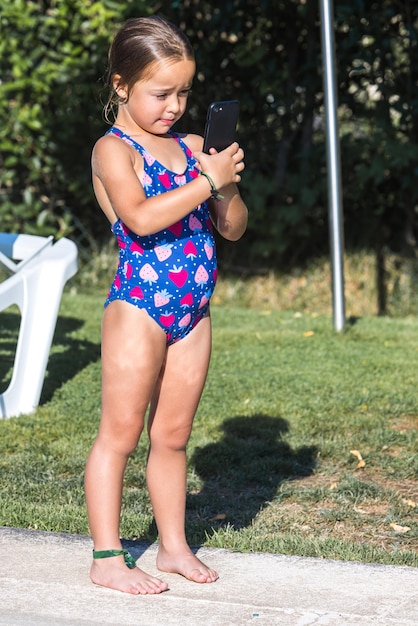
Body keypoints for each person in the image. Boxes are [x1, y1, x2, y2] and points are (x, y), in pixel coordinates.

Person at [84, 15, 248, 596]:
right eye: (160, 93)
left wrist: (224, 185)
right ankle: (107, 556)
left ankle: (173, 547)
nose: (174, 106)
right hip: (139, 307)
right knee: (120, 434)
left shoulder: (196, 148)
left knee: (173, 435)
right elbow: (141, 216)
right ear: (122, 86)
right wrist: (207, 183)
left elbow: (231, 228)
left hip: (192, 310)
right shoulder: (114, 149)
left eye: (183, 92)